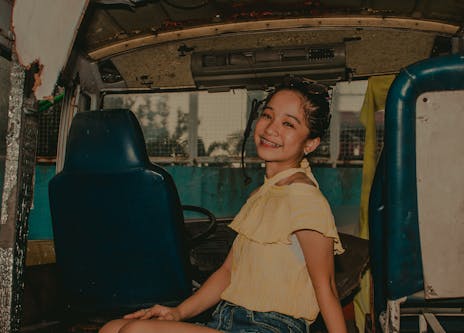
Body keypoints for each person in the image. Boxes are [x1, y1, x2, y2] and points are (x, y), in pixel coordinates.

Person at [99, 76, 347, 333]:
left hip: (272, 327)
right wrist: (177, 313)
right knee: (112, 328)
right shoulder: (260, 195)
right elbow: (228, 272)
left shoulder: (305, 198)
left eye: (288, 124)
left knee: (135, 332)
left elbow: (325, 286)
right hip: (227, 320)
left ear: (310, 143)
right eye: (268, 116)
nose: (271, 128)